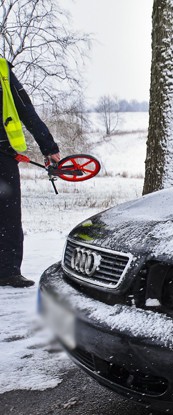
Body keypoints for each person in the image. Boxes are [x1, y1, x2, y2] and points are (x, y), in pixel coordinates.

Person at [0, 57, 60, 288]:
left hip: (2, 154)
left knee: (8, 216)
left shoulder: (2, 69)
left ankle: (7, 271)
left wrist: (49, 147)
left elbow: (25, 109)